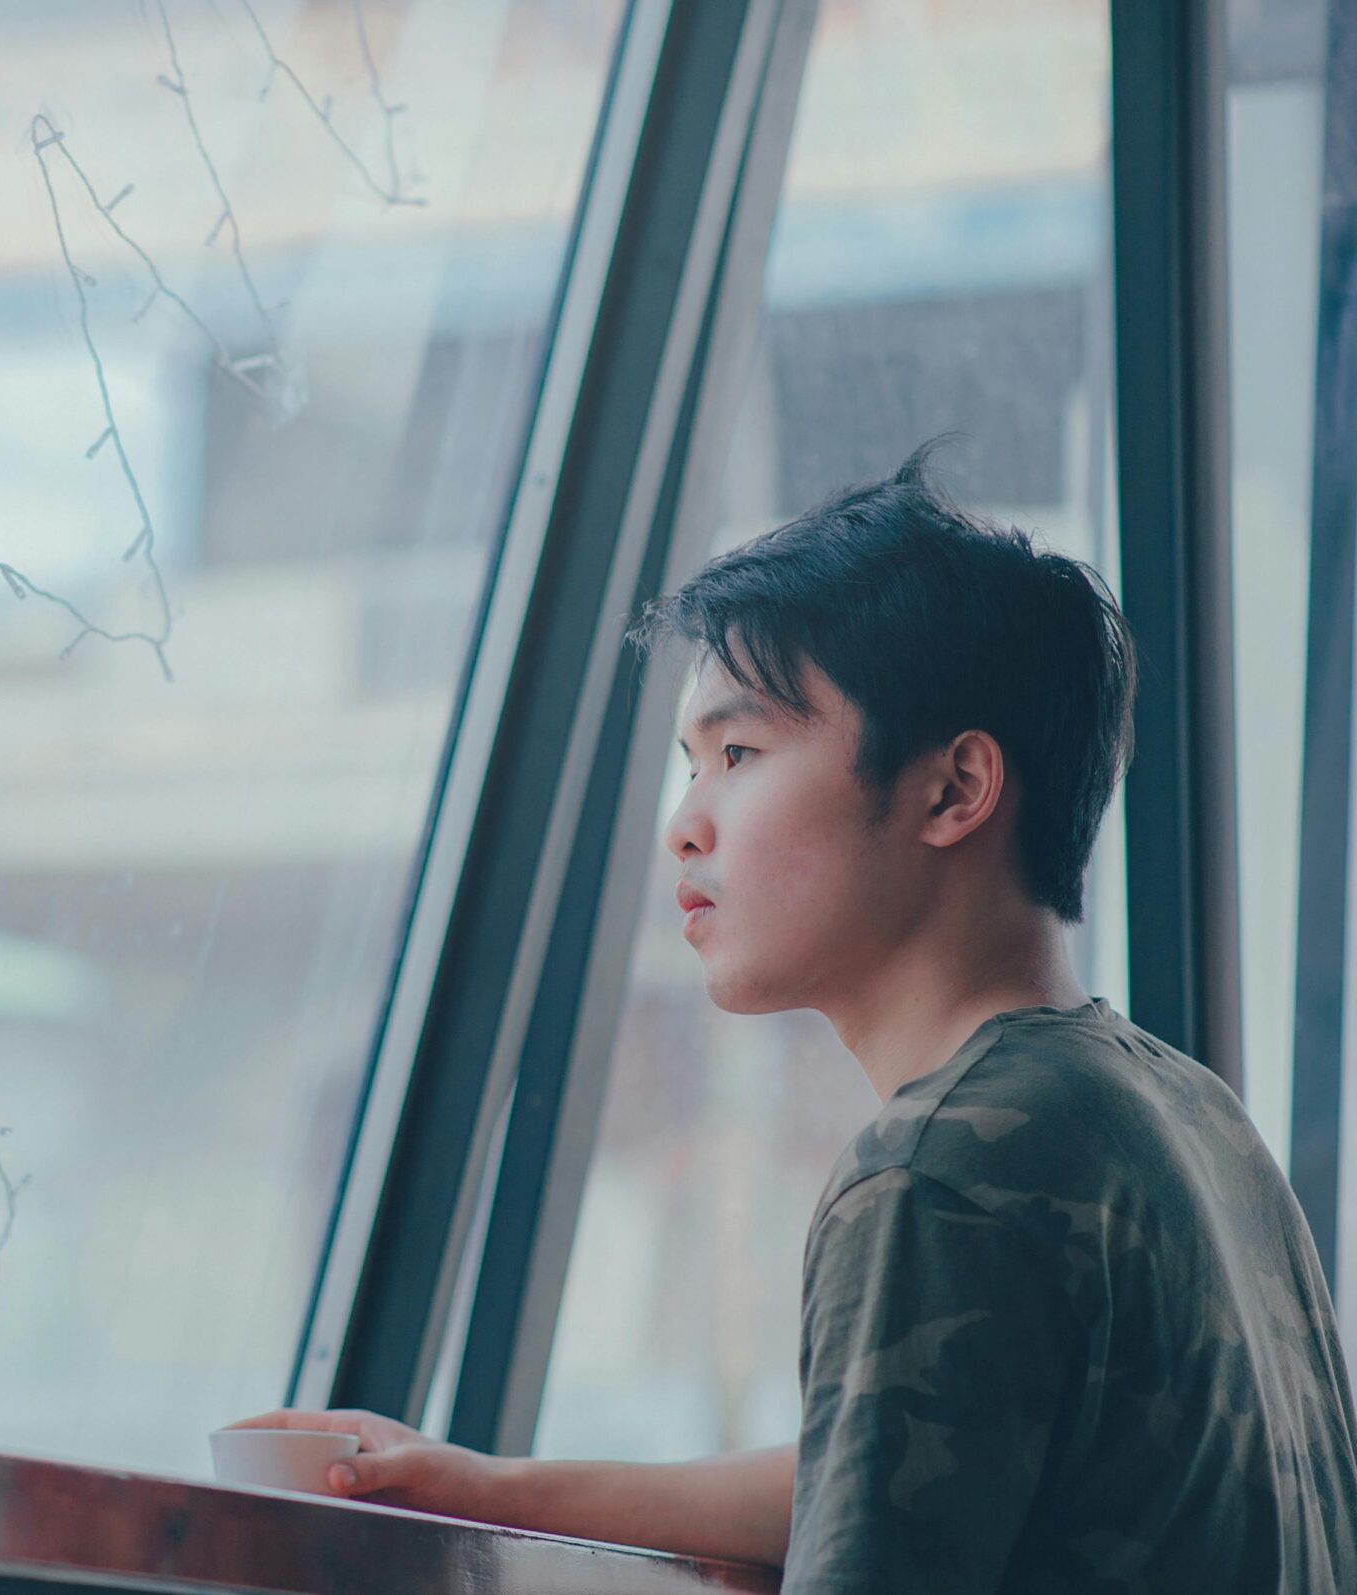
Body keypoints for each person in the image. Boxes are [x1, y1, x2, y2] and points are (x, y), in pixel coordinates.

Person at [235, 448, 1357, 1590]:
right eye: (690, 765)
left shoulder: (939, 1168)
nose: (684, 823)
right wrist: (490, 1487)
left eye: (738, 751)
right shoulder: (1174, 1109)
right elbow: (906, 1452)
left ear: (952, 788)